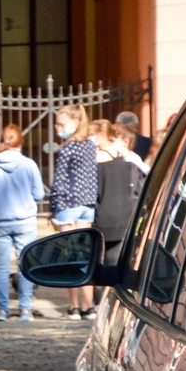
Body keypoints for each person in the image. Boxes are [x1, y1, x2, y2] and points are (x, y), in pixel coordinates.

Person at [0, 122, 46, 320]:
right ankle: (25, 308)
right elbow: (39, 193)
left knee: (1, 267)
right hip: (25, 221)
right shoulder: (29, 164)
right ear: (20, 143)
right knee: (25, 265)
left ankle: (2, 310)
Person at [91, 117, 150, 312]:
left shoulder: (120, 163)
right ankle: (115, 304)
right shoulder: (129, 163)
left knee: (106, 267)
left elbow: (96, 194)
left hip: (105, 220)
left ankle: (107, 305)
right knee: (116, 264)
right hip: (124, 219)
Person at [48, 107, 100, 318]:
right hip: (87, 205)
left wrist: (53, 207)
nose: (57, 128)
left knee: (69, 256)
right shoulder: (90, 146)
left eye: (61, 124)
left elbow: (60, 181)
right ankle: (89, 306)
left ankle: (73, 306)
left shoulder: (67, 149)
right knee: (84, 256)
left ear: (75, 122)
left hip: (68, 205)